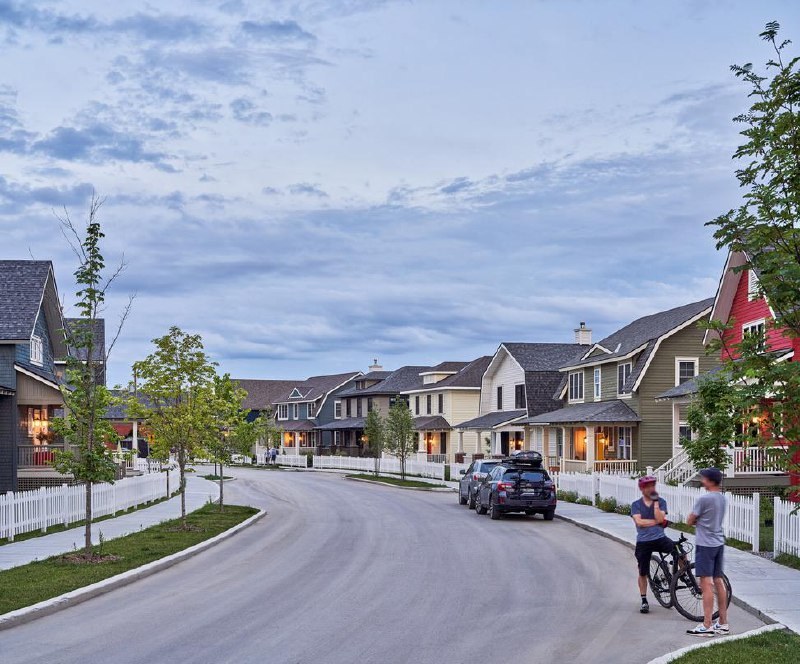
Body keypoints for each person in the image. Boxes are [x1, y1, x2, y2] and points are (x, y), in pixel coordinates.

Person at [686, 468, 729, 637]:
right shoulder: (722, 498)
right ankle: (723, 623)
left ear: (710, 481)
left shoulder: (704, 499)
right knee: (718, 580)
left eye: (704, 478)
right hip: (718, 542)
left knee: (706, 584)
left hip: (705, 544)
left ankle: (707, 625)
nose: (702, 480)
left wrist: (697, 520)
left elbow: (690, 520)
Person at [630, 475, 672, 614]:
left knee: (680, 551)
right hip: (643, 542)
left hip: (660, 537)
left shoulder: (661, 501)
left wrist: (655, 503)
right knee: (642, 571)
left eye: (653, 486)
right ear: (642, 489)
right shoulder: (636, 505)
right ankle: (644, 600)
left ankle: (683, 576)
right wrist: (656, 522)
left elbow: (661, 518)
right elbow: (639, 523)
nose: (651, 488)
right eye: (648, 486)